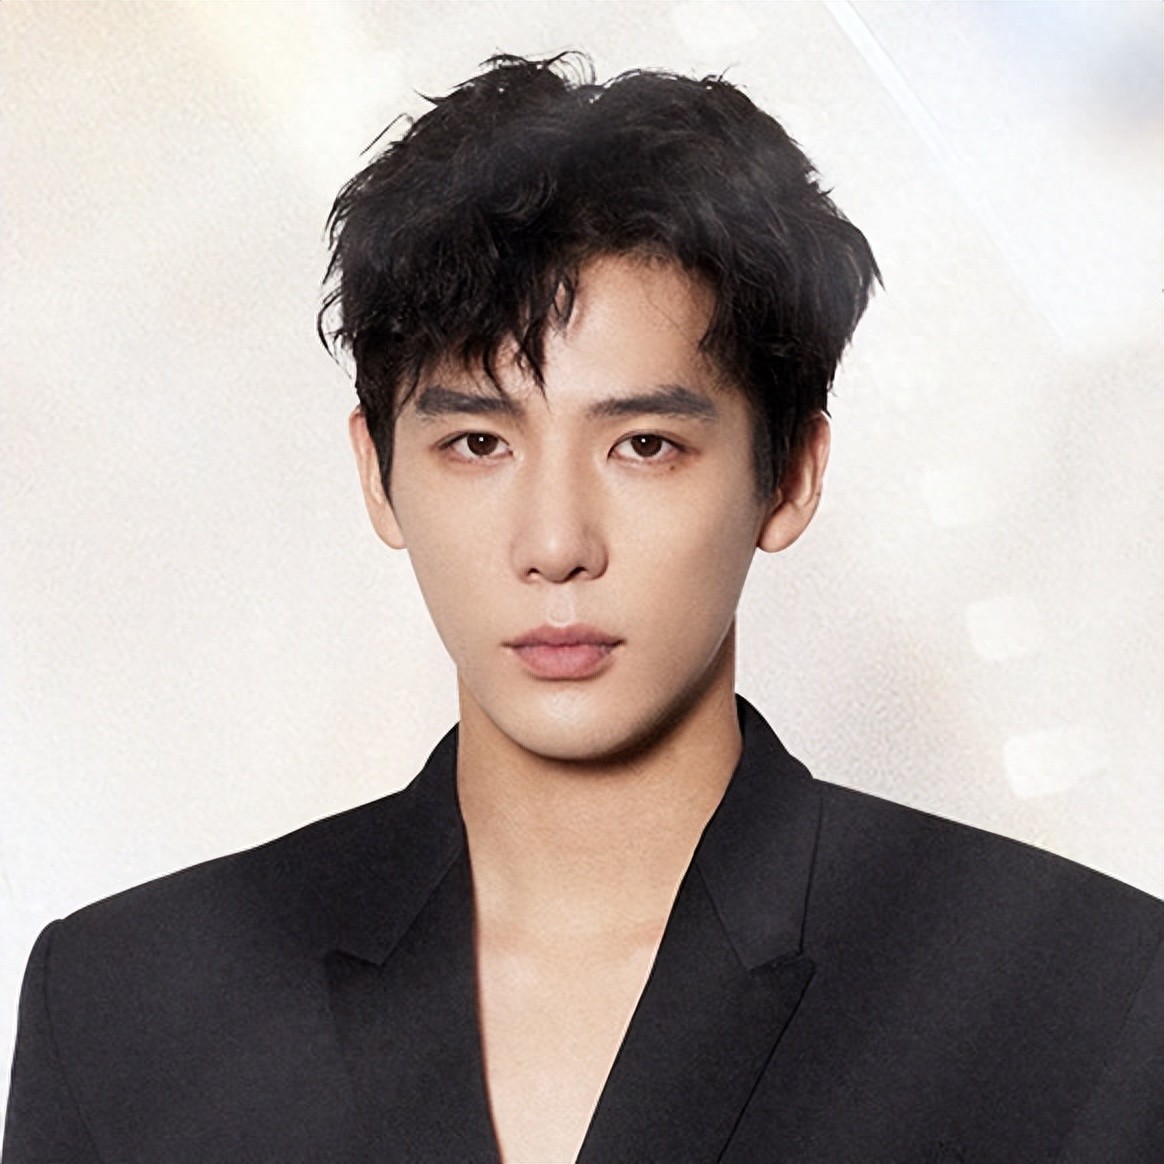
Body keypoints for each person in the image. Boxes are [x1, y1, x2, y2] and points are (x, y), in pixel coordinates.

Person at [3, 53, 1160, 1164]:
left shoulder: (1082, 1000)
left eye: (644, 444)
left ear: (792, 475)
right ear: (377, 474)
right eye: (477, 443)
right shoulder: (121, 1009)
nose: (555, 544)